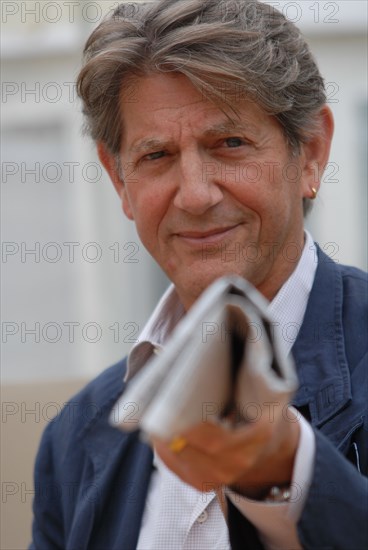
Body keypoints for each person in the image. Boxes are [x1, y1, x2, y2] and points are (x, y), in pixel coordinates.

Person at [30, 1, 367, 549]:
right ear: (120, 183)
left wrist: (290, 471)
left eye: (229, 144)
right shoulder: (76, 436)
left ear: (310, 152)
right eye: (156, 155)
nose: (195, 194)